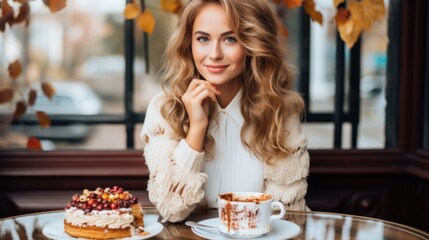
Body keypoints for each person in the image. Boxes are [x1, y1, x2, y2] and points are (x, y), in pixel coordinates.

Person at [140, 0, 309, 223]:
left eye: (230, 39)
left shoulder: (280, 111)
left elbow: (289, 217)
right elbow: (171, 209)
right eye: (203, 39)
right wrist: (197, 130)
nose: (214, 53)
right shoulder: (164, 108)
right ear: (188, 44)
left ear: (253, 43)